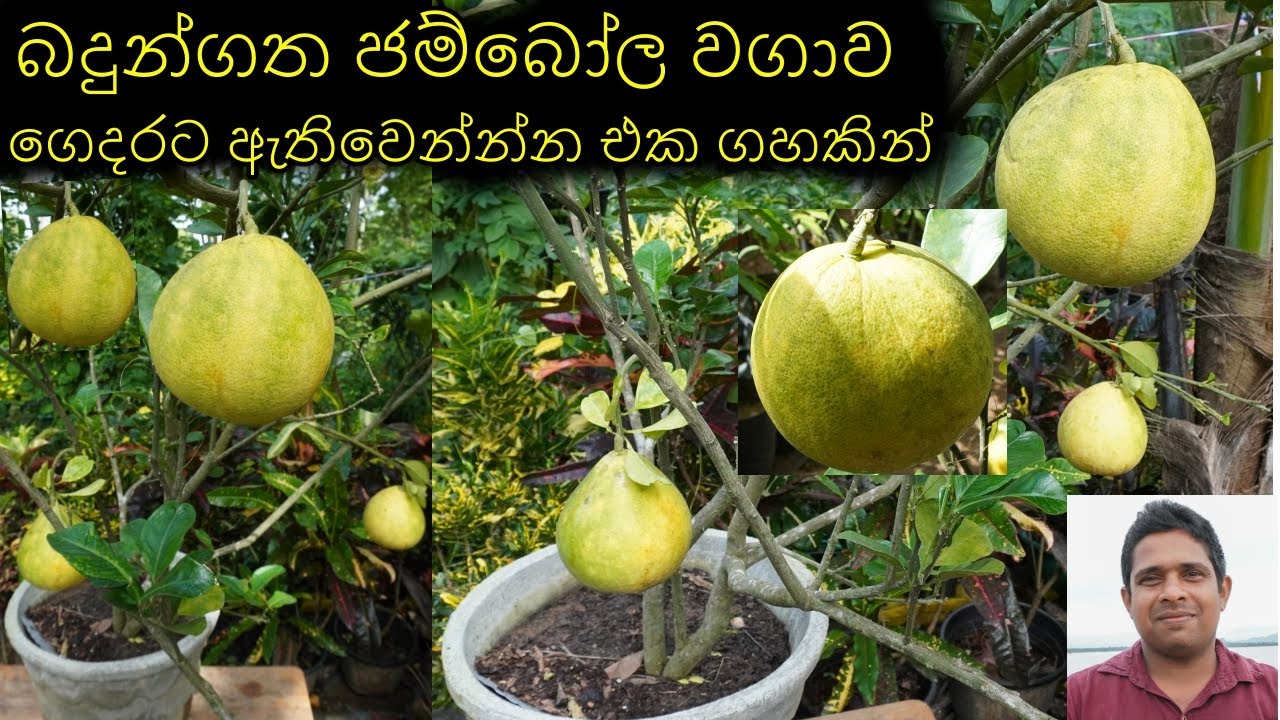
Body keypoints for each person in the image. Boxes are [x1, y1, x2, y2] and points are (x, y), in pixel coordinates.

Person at [1067, 500, 1278, 718]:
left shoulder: (1273, 691)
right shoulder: (1079, 695)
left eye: (1192, 574)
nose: (1172, 593)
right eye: (1151, 578)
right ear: (1128, 600)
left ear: (1223, 592)